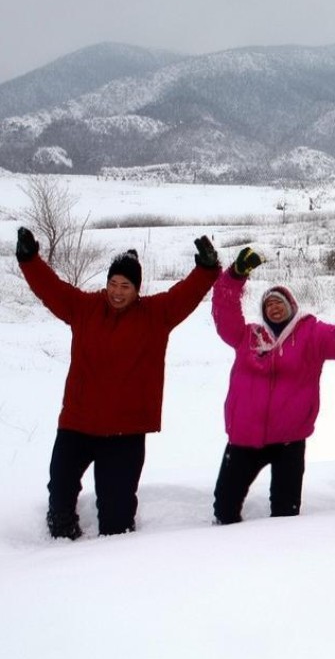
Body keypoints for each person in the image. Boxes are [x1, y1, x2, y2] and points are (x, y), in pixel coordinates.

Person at [16, 227, 220, 539]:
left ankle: (116, 571)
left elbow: (186, 294)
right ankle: (59, 549)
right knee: (60, 490)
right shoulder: (84, 308)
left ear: (137, 288)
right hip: (78, 422)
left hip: (126, 429)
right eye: (113, 283)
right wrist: (30, 259)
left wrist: (206, 269)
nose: (117, 291)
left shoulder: (155, 315)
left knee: (117, 517)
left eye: (126, 285)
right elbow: (51, 289)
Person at [211, 247, 335, 524]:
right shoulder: (248, 336)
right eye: (269, 304)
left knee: (286, 514)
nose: (274, 307)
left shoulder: (311, 334)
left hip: (289, 440)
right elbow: (224, 311)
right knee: (224, 508)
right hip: (244, 437)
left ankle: (285, 560)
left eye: (280, 302)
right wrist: (234, 276)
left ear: (291, 306)